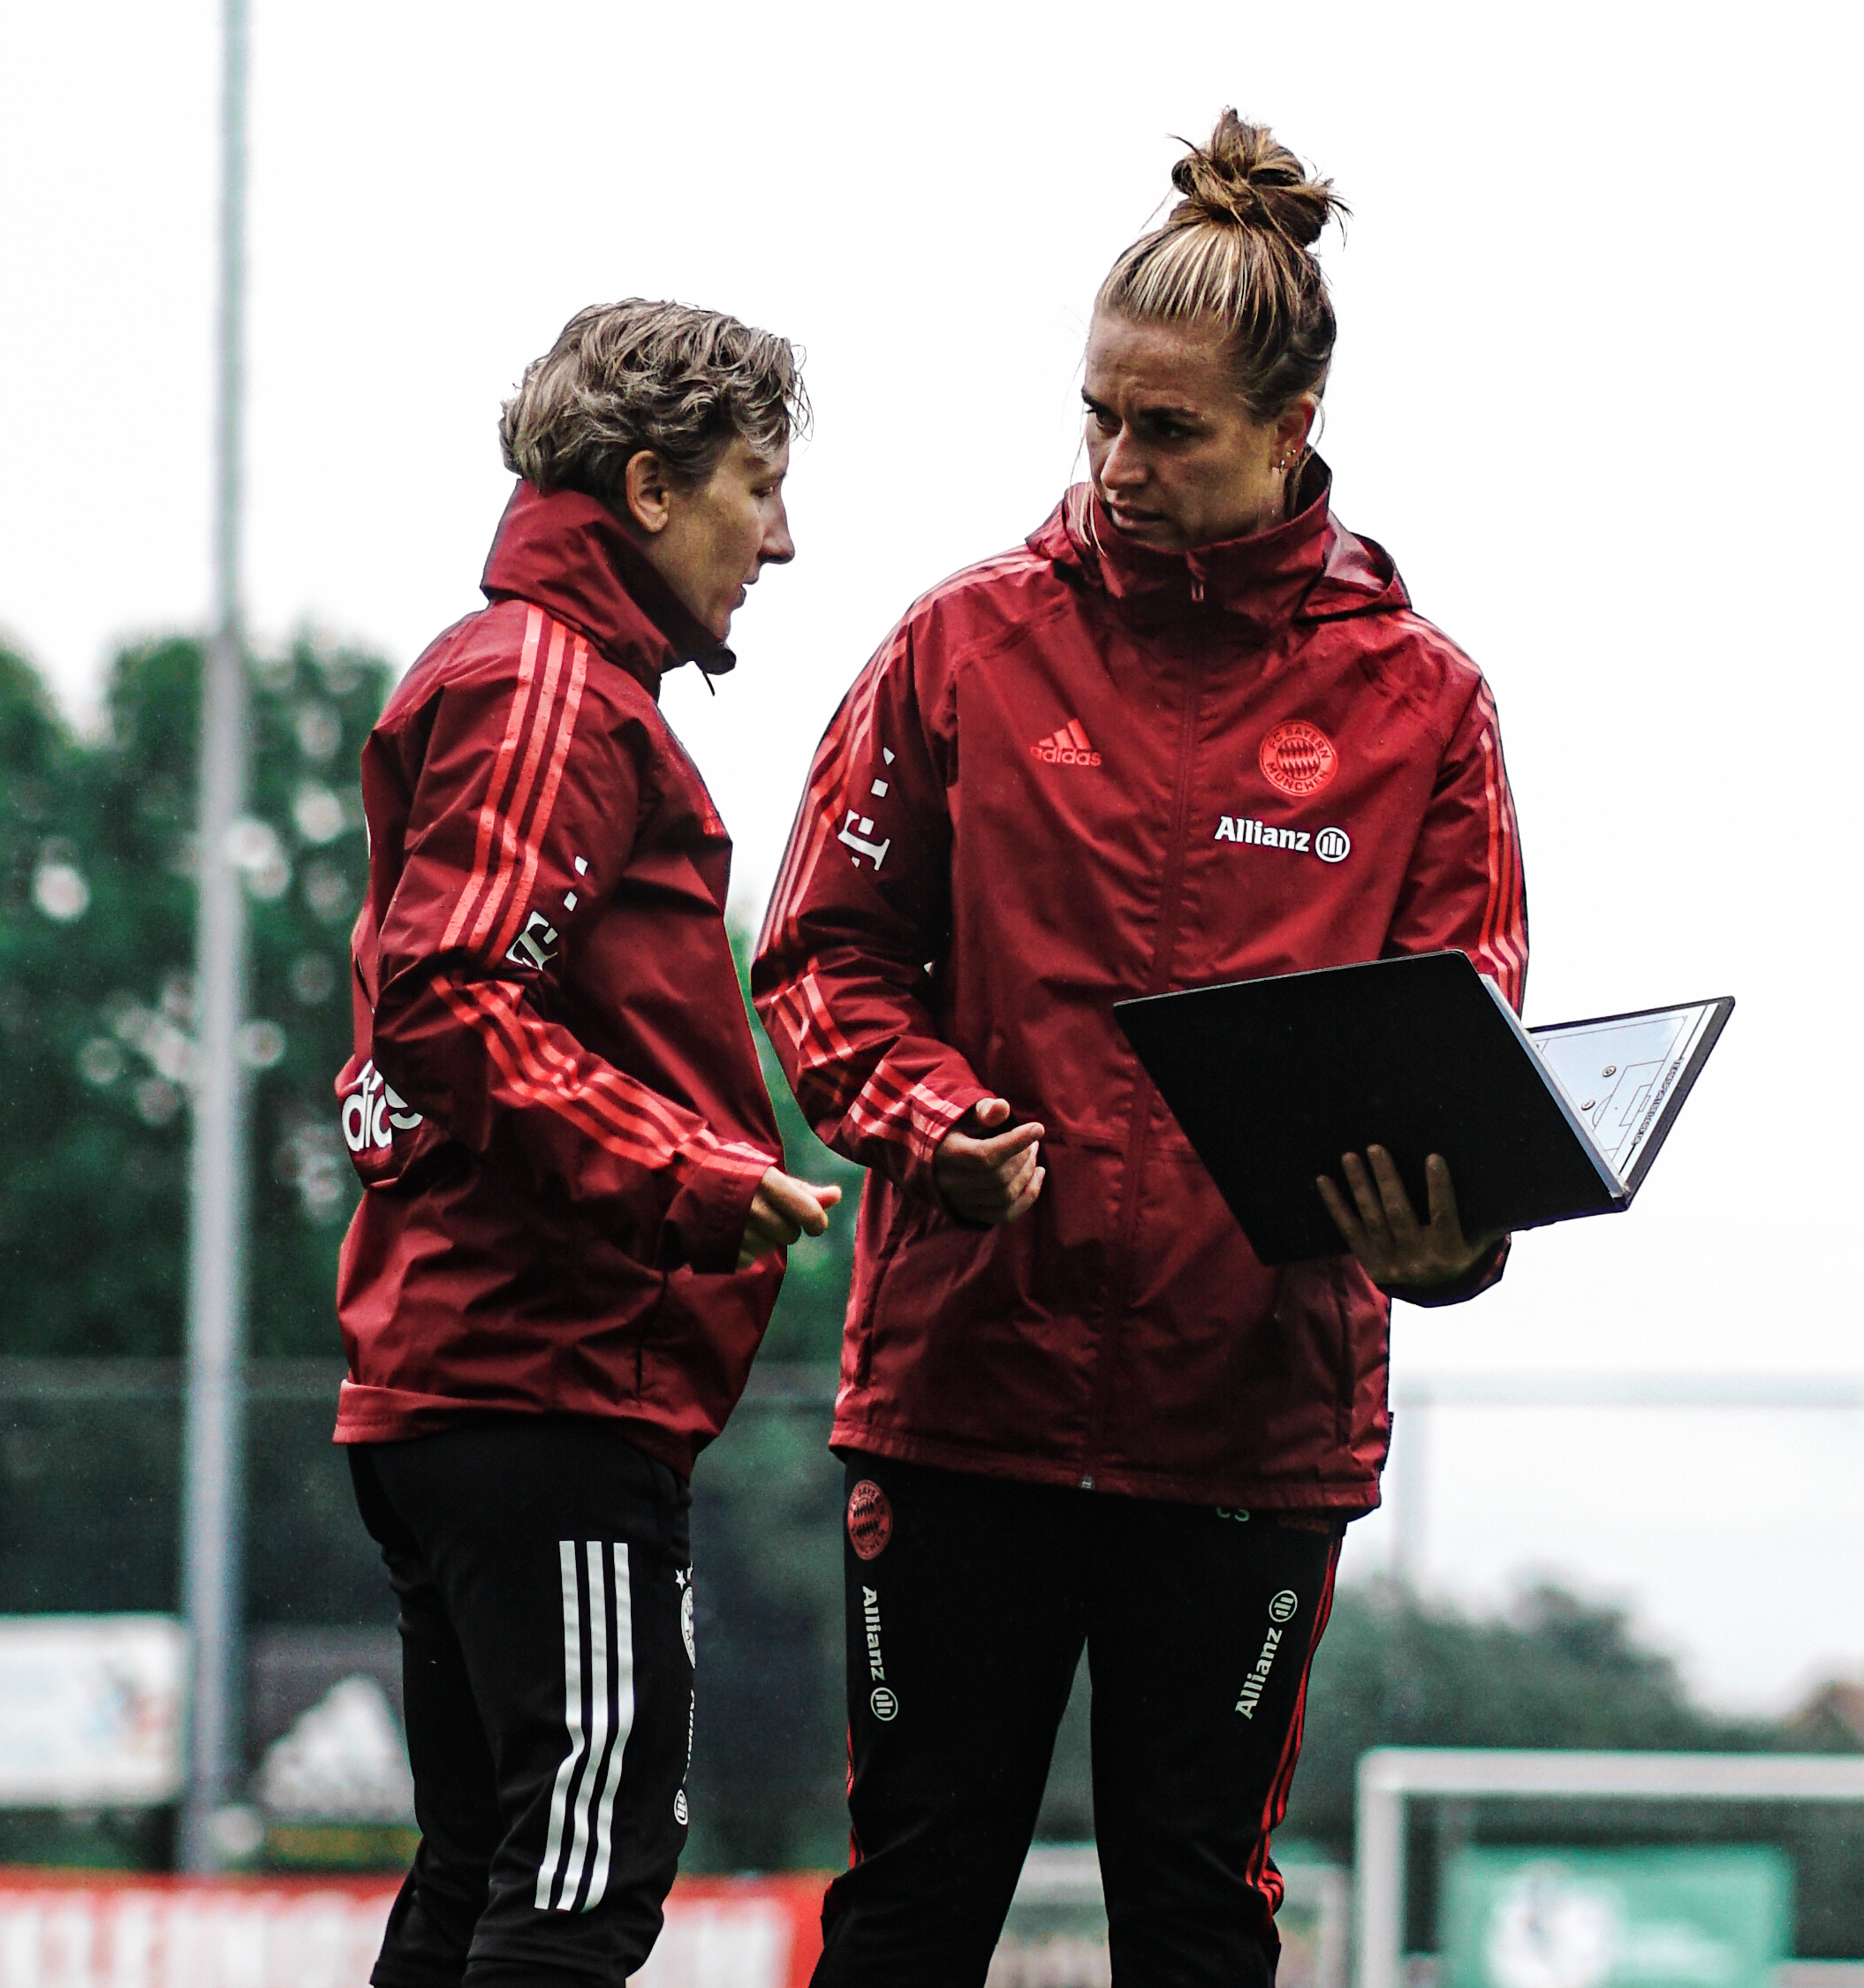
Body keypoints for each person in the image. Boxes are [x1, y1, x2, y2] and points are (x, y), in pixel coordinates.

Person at [753, 111, 1528, 1986]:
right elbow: (822, 958)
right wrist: (924, 1115)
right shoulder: (957, 648)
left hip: (1248, 1424)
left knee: (1193, 1907)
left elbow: (1465, 1058)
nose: (1117, 463)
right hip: (962, 1396)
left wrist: (1453, 1240)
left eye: (1165, 429)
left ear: (1293, 419)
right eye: (1095, 413)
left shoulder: (1421, 707)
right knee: (913, 1892)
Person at [331, 299, 841, 1988]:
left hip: (472, 1372)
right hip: (548, 1378)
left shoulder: (519, 677)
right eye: (757, 487)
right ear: (644, 486)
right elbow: (451, 998)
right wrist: (691, 1177)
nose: (781, 536)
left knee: (491, 1857)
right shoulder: (549, 689)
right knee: (579, 1880)